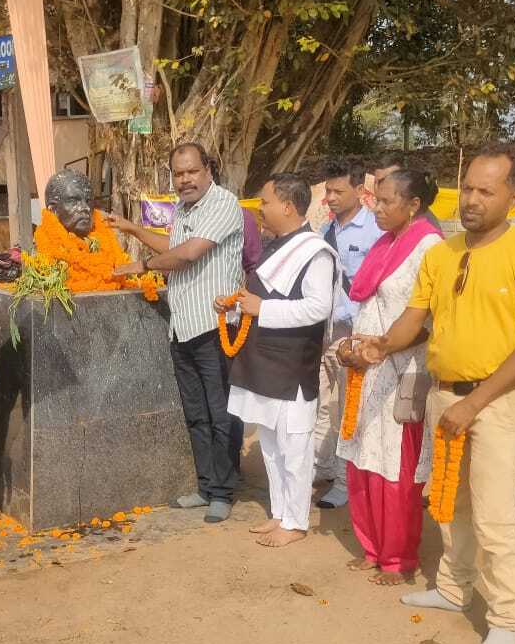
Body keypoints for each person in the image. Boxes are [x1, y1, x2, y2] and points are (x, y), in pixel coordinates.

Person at [354, 145, 515, 644]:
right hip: (443, 394)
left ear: (514, 197)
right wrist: (382, 345)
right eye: (467, 187)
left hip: (498, 400)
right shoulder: (441, 254)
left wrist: (474, 405)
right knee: (450, 502)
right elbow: (414, 319)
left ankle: (506, 619)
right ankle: (452, 587)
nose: (471, 199)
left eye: (486, 191)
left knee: (494, 516)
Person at [110, 142, 245, 523]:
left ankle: (223, 491)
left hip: (215, 327)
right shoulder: (184, 209)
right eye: (179, 173)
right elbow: (174, 245)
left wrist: (142, 266)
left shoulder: (223, 203)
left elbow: (188, 254)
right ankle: (206, 486)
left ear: (208, 170)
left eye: (192, 171)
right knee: (197, 413)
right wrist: (133, 228)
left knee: (222, 414)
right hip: (183, 327)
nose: (185, 179)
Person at [336, 170, 444, 585]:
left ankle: (398, 558)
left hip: (400, 371)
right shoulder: (386, 243)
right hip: (366, 368)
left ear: (413, 205)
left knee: (396, 466)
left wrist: (380, 348)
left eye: (386, 202)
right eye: (375, 200)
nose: (376, 209)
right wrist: (354, 349)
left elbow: (426, 321)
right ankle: (372, 547)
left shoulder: (429, 247)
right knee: (363, 456)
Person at [218, 173, 335, 547]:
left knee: (294, 448)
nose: (260, 208)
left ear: (287, 206)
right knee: (270, 445)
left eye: (265, 201)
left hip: (291, 367)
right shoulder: (274, 245)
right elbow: (260, 298)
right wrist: (236, 307)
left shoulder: (314, 252)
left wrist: (262, 309)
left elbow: (318, 308)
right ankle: (281, 512)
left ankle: (296, 522)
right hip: (262, 361)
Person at [312, 160, 383, 509]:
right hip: (325, 331)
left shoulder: (374, 231)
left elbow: (375, 287)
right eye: (328, 191)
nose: (331, 197)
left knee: (346, 410)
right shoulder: (326, 229)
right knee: (320, 404)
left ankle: (343, 482)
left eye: (338, 191)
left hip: (355, 335)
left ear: (359, 190)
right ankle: (321, 466)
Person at [372, 151, 444, 233]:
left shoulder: (427, 235)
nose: (378, 188)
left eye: (385, 181)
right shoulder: (375, 217)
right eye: (376, 182)